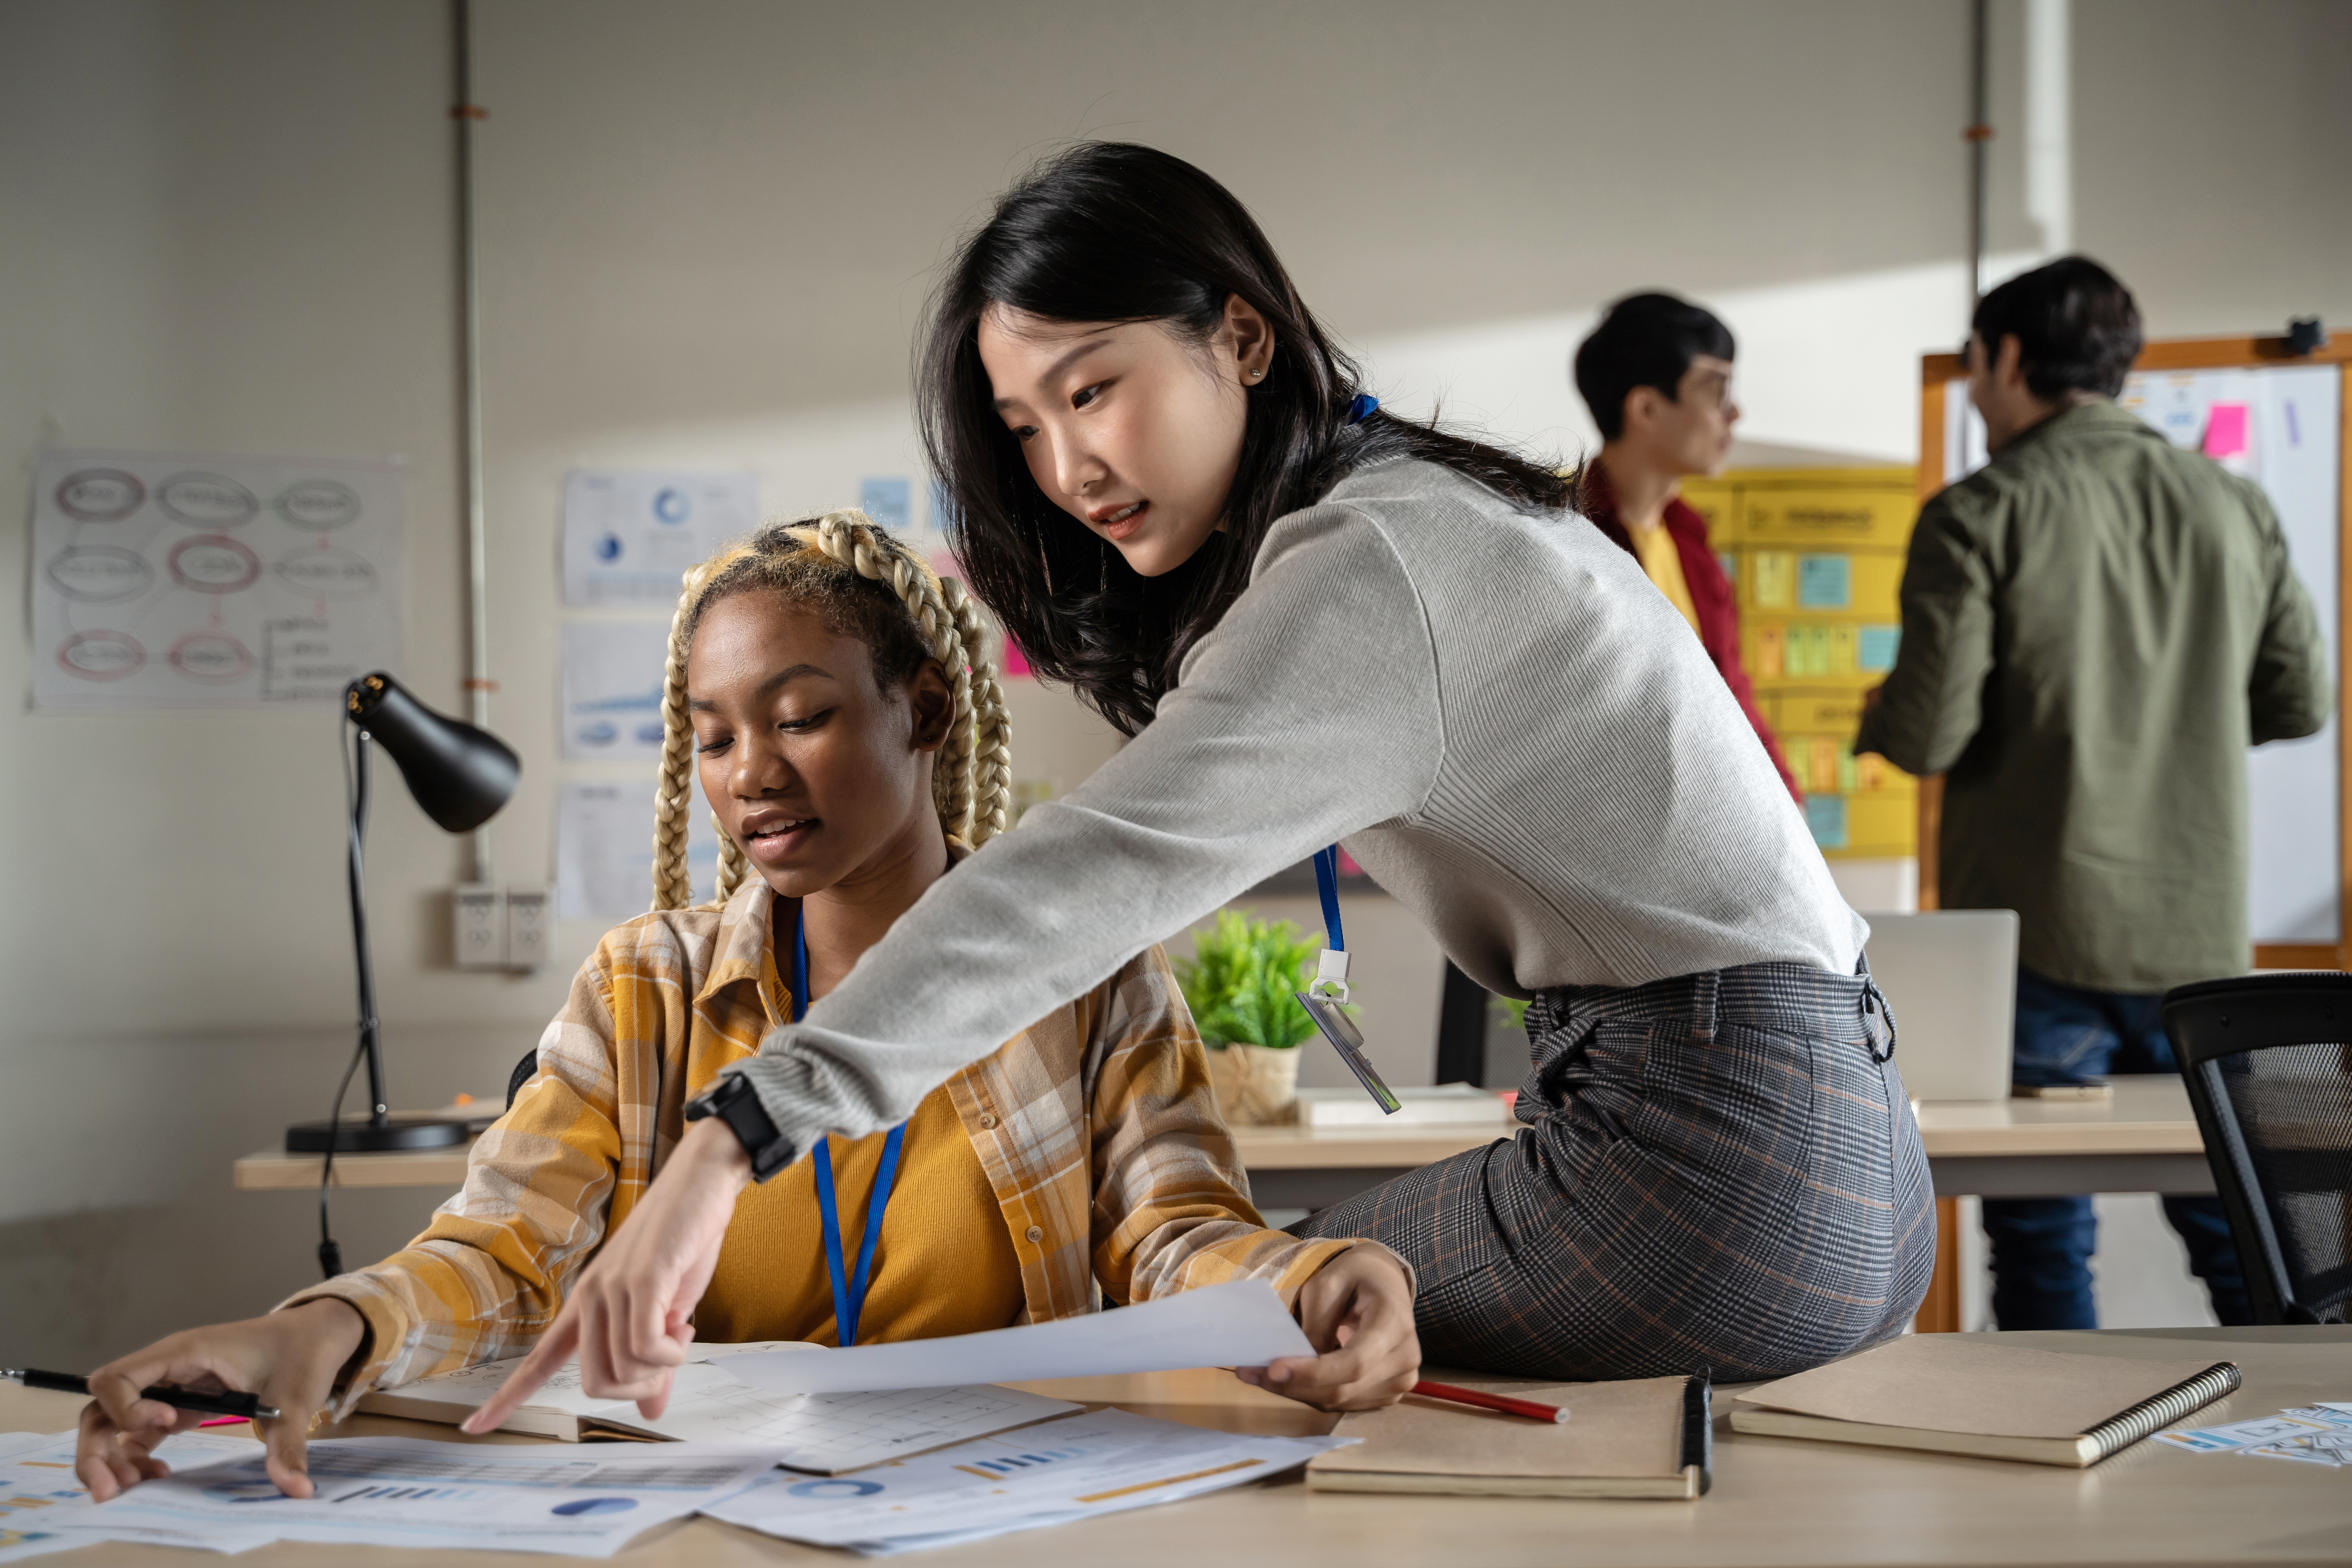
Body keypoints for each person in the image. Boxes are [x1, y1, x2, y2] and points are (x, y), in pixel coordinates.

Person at [479, 141, 1932, 1417]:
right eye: (1025, 427)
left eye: (1091, 388)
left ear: (1241, 334)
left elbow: (1091, 872)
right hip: (1852, 1159)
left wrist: (737, 1135)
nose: (1067, 468)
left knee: (1239, 1320)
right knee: (1294, 1304)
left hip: (1715, 1168)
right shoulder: (1425, 514)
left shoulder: (1373, 560)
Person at [75, 514, 1417, 1501]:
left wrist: (1300, 1283)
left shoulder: (1094, 974)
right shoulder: (645, 989)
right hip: (718, 1516)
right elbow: (507, 1249)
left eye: (800, 716)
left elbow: (1174, 1236)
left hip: (1003, 1514)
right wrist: (323, 1327)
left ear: (926, 710)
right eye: (714, 736)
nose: (751, 773)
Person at [1855, 255, 2330, 1330]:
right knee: (2244, 1238)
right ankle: (2304, 1460)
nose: (1975, 393)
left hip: (2039, 940)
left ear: (2010, 357)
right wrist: (2184, 729)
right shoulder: (2234, 503)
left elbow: (1930, 732)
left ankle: (2061, 1462)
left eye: (1977, 366)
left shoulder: (1981, 511)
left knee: (2040, 1243)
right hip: (2200, 940)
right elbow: (2302, 700)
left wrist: (1875, 716)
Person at [1573, 292, 1800, 799]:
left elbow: (1732, 693)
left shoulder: (1690, 541)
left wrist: (1786, 799)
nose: (1735, 413)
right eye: (1715, 391)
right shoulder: (1571, 544)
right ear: (1647, 407)